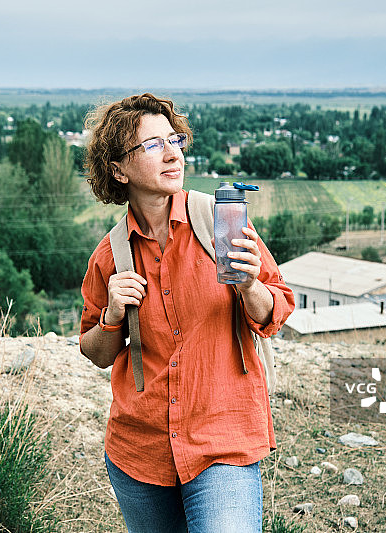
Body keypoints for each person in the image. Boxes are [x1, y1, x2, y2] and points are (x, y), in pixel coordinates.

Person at [79, 93, 294, 533]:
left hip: (222, 440)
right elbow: (95, 351)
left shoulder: (222, 223)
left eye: (174, 139)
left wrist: (250, 284)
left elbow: (276, 311)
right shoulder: (109, 255)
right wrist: (113, 316)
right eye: (152, 145)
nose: (173, 152)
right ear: (118, 169)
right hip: (140, 451)